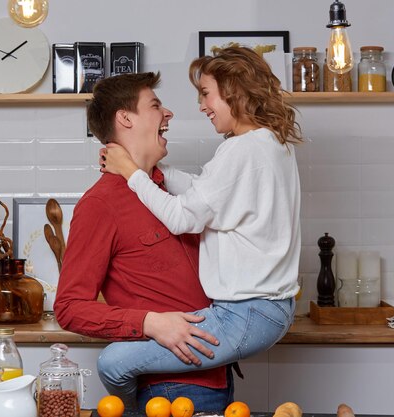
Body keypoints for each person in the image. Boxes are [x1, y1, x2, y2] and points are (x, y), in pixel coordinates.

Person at [98, 46, 303, 406]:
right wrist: (149, 171)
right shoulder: (269, 143)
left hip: (245, 312)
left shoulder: (242, 151)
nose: (202, 105)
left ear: (233, 90)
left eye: (206, 93)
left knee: (113, 363)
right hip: (268, 309)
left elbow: (183, 217)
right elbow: (207, 192)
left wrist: (131, 172)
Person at [54, 72, 233, 411]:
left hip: (217, 372)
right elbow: (69, 307)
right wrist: (149, 322)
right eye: (155, 106)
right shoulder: (100, 204)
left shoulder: (172, 192)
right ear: (125, 119)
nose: (168, 114)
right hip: (167, 388)